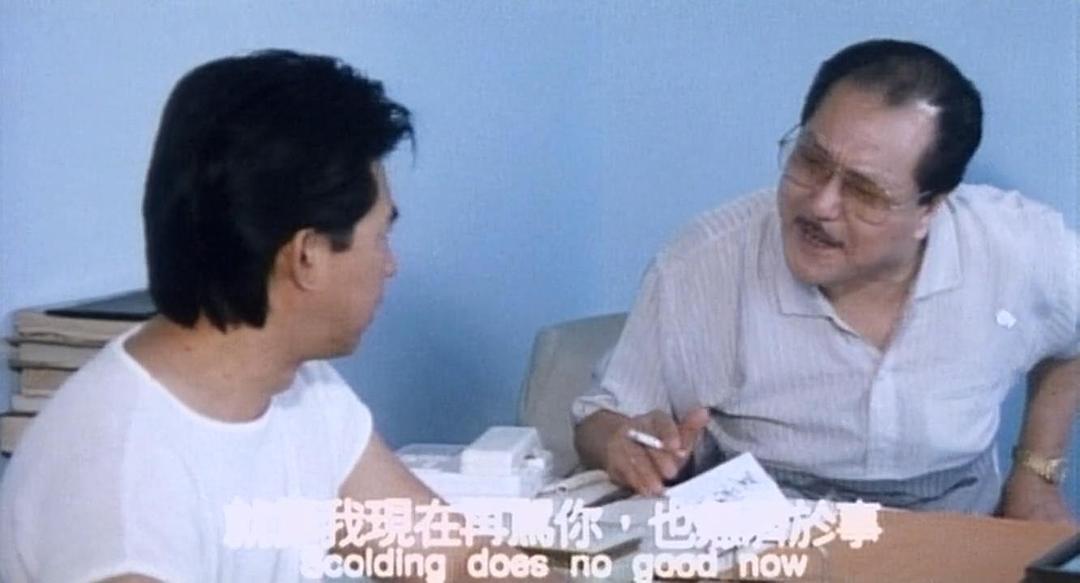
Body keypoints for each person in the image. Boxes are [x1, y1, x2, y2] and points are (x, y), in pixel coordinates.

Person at [0, 50, 558, 582]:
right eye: (380, 236)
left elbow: (457, 562)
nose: (390, 265)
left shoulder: (304, 393)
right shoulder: (122, 474)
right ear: (307, 255)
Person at [573, 39, 1080, 521]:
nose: (820, 205)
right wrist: (623, 442)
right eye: (811, 161)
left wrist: (1037, 473)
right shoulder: (703, 262)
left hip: (953, 534)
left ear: (930, 209)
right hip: (761, 537)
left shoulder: (1018, 250)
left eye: (864, 191)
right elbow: (601, 418)